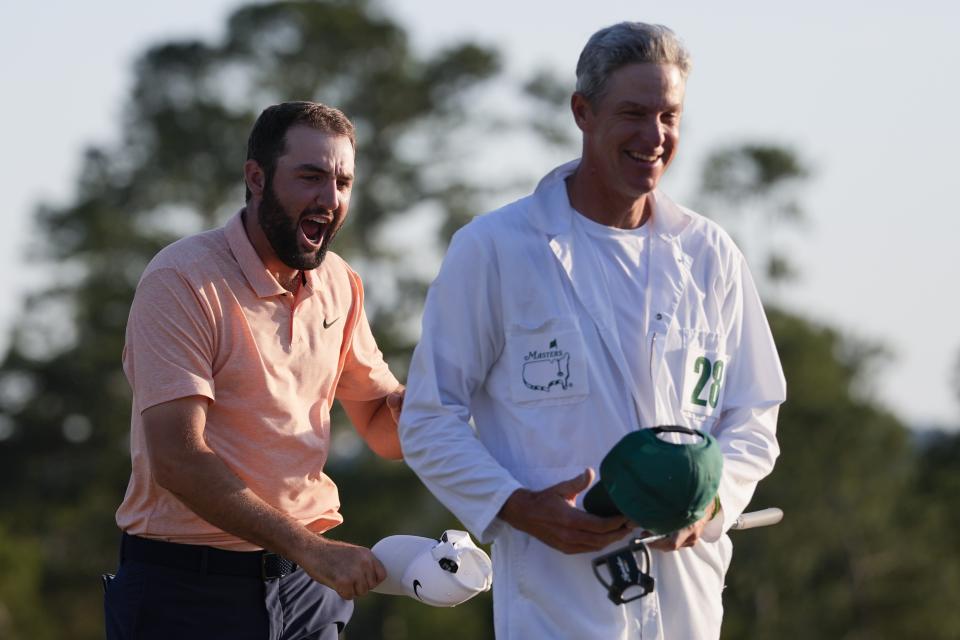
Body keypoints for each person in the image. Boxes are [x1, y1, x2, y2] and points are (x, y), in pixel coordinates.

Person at [399, 22, 786, 639]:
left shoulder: (710, 253)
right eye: (633, 113)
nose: (653, 136)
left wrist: (712, 502)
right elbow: (427, 417)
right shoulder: (497, 249)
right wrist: (519, 509)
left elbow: (754, 413)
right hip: (556, 600)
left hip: (687, 598)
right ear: (582, 111)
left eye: (669, 115)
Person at [103, 101, 405, 639]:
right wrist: (313, 550)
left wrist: (463, 399)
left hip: (309, 593)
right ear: (256, 177)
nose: (329, 199)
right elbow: (177, 459)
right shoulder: (182, 280)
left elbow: (383, 429)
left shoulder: (340, 282)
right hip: (186, 593)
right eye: (310, 177)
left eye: (342, 182)